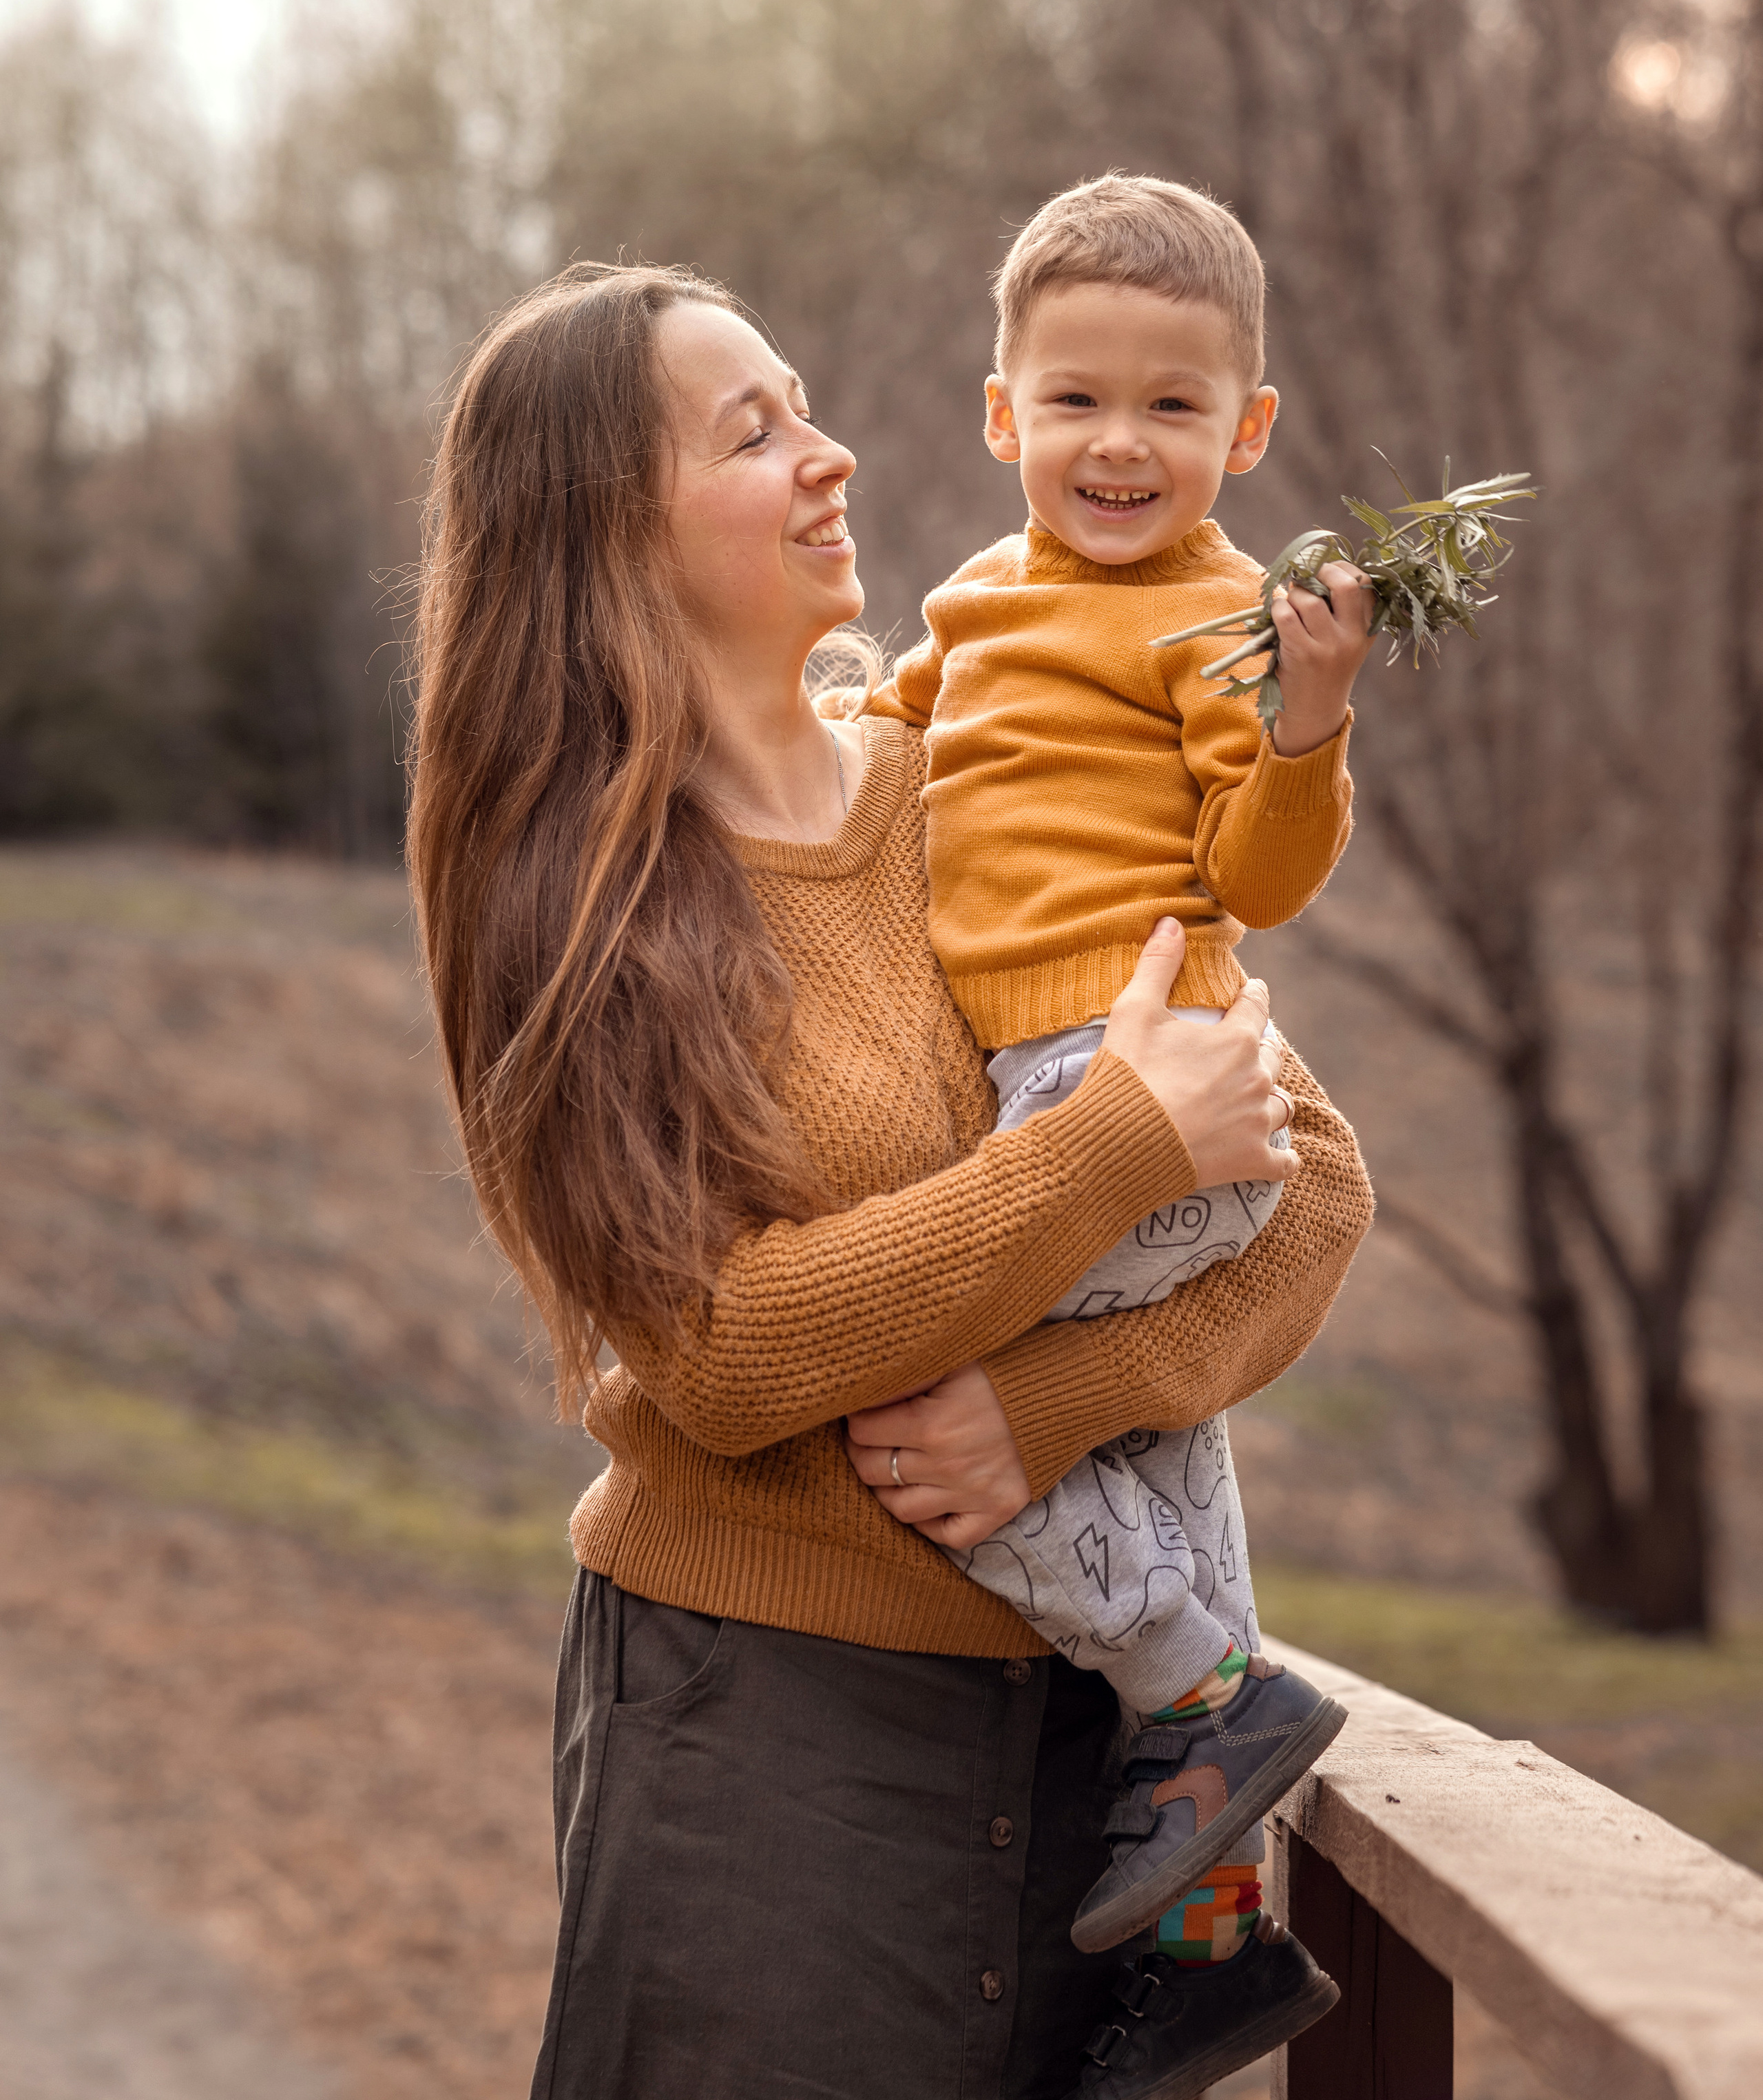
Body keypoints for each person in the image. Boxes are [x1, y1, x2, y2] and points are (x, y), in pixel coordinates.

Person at [405, 259, 1374, 2100]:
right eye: (754, 430)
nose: (832, 452)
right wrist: (1107, 1155)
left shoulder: (974, 785)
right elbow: (725, 1340)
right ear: (612, 526)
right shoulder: (581, 892)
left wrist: (1047, 1398)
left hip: (1100, 1751)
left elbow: (1308, 1178)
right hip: (771, 1743)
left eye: (807, 400)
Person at [866, 174, 1378, 1992]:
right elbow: (894, 731)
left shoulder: (1223, 616)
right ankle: (1216, 1927)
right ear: (1002, 414)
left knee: (918, 1387)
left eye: (1173, 407)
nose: (1120, 443)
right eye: (1076, 398)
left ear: (1246, 433)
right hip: (1047, 1092)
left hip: (1149, 1091)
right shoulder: (977, 594)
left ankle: (1197, 1682)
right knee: (1151, 1433)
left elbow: (1256, 871)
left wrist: (1308, 717)